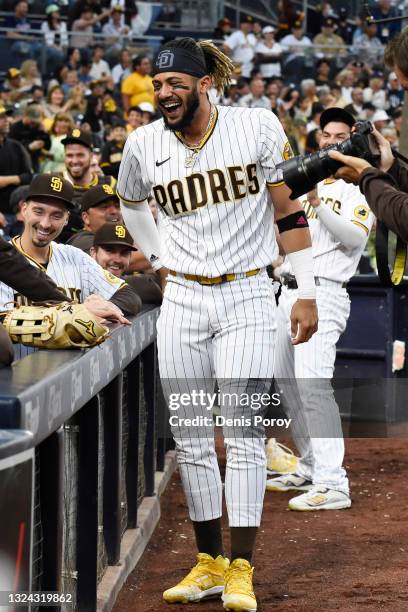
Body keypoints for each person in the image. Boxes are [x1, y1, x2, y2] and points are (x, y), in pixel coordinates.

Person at [117, 37, 318, 611]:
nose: (164, 93)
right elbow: (132, 203)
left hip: (249, 292)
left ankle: (242, 568)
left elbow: (288, 207)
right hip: (183, 300)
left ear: (204, 83)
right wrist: (157, 258)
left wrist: (304, 288)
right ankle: (207, 562)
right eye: (157, 85)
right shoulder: (143, 143)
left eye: (175, 83)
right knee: (191, 436)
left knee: (244, 433)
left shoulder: (256, 125)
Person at [266, 108, 375, 511]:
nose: (331, 142)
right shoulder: (304, 179)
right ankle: (310, 466)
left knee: (314, 387)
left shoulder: (359, 186)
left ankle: (334, 483)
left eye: (340, 135)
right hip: (288, 292)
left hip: (325, 293)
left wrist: (317, 201)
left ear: (352, 140)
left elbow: (353, 239)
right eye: (326, 135)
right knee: (289, 384)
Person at [0, 174, 141, 320]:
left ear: (67, 218)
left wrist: (104, 308)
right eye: (38, 211)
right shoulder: (4, 260)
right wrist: (80, 312)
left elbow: (129, 296)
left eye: (56, 215)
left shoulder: (75, 257)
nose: (45, 224)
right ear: (24, 209)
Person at [90, 222, 162, 304]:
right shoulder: (77, 282)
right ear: (93, 252)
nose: (117, 260)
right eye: (109, 250)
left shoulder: (143, 287)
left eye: (124, 253)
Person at [0, 103, 33, 216]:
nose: (6, 120)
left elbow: (28, 176)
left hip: (19, 212)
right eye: (1, 117)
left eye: (6, 116)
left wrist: (7, 180)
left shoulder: (16, 146)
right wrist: (18, 178)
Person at [9, 104, 51, 173]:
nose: (34, 123)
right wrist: (29, 147)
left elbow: (48, 147)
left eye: (36, 121)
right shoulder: (14, 128)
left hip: (34, 162)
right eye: (32, 120)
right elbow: (12, 150)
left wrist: (45, 134)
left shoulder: (38, 127)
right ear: (25, 116)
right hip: (19, 163)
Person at [223, 15, 257, 79]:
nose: (249, 26)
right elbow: (225, 47)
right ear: (242, 25)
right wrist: (231, 62)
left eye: (251, 24)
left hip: (250, 71)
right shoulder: (237, 35)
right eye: (247, 23)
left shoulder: (252, 37)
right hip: (238, 71)